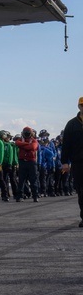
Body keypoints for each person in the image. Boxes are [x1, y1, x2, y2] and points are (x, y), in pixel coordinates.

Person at [60, 97, 83, 227]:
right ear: (79, 106)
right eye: (82, 105)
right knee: (81, 190)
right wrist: (64, 162)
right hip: (78, 162)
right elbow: (66, 145)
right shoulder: (71, 124)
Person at [14, 126, 40, 202]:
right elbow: (17, 143)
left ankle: (35, 196)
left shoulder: (34, 141)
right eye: (25, 132)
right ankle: (20, 196)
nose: (26, 134)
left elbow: (32, 147)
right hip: (22, 161)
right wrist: (26, 144)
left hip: (31, 162)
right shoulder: (19, 140)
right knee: (21, 180)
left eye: (28, 133)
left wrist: (23, 145)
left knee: (33, 179)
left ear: (31, 133)